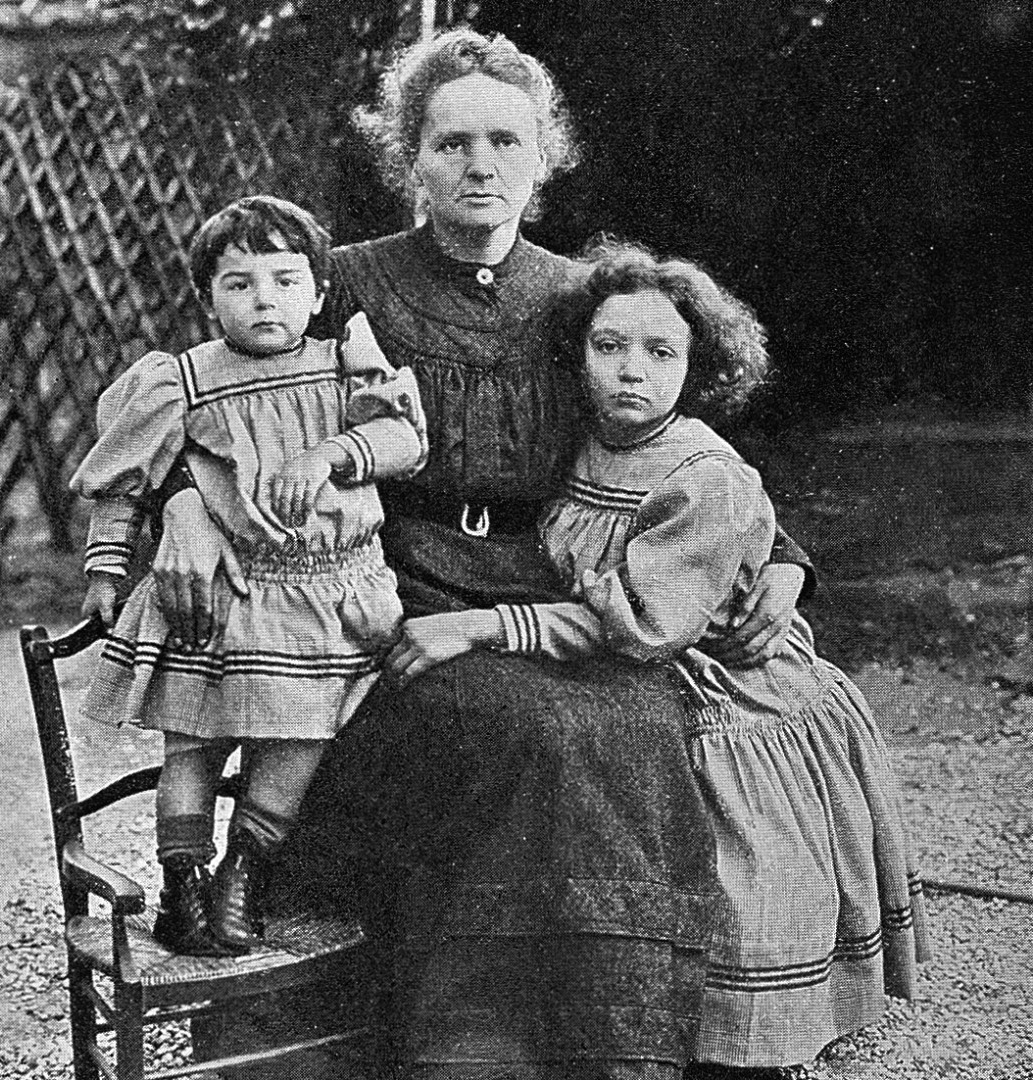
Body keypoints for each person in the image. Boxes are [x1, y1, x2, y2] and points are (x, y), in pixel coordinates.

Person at [152, 30, 815, 1079]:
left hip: (543, 585)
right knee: (527, 730)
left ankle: (619, 1045)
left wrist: (781, 556)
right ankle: (474, 1047)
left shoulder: (581, 297)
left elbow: (667, 442)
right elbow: (210, 403)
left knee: (643, 719)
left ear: (544, 156)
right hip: (382, 591)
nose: (480, 164)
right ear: (405, 158)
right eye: (451, 141)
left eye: (505, 139)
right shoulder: (339, 283)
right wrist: (185, 504)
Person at [386, 241, 929, 1075]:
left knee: (735, 874)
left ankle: (750, 1041)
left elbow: (647, 621)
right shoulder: (581, 441)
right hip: (639, 660)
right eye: (608, 348)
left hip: (728, 682)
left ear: (698, 367)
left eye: (660, 352)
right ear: (577, 356)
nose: (630, 372)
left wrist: (485, 627)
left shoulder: (703, 474)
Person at [70, 195, 427, 956]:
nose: (263, 298)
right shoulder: (185, 379)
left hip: (328, 596)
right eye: (238, 283)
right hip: (222, 598)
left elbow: (403, 437)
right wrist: (106, 569)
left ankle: (244, 873)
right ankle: (183, 884)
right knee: (193, 749)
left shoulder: (342, 363)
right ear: (207, 298)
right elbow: (123, 479)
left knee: (298, 744)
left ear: (319, 292)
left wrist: (333, 454)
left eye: (284, 279)